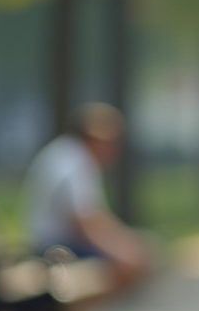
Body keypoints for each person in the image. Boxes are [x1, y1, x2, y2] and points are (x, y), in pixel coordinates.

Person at [24, 102, 150, 295]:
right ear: (93, 136)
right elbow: (83, 224)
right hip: (54, 248)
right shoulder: (75, 162)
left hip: (54, 242)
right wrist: (121, 249)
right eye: (111, 139)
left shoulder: (68, 153)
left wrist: (125, 239)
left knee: (136, 253)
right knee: (129, 263)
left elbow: (94, 216)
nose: (114, 147)